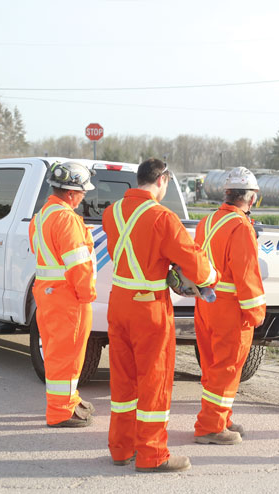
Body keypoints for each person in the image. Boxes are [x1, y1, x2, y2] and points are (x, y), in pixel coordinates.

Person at [103, 158, 217, 473]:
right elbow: (193, 262)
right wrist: (210, 279)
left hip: (119, 302)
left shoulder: (111, 213)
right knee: (154, 380)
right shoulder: (162, 217)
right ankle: (152, 454)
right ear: (163, 180)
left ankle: (121, 448)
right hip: (148, 306)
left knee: (123, 381)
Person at [193, 167, 265, 445]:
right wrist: (256, 312)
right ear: (251, 198)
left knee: (213, 366)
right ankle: (210, 426)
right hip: (229, 309)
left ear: (227, 193)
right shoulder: (241, 227)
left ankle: (221, 417)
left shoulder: (207, 221)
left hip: (206, 303)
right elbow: (246, 275)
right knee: (227, 368)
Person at [30, 161, 98, 428]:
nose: (84, 197)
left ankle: (68, 400)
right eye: (82, 192)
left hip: (48, 295)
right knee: (67, 355)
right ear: (71, 193)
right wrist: (87, 294)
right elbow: (78, 264)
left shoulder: (41, 216)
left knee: (56, 352)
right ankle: (60, 411)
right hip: (68, 297)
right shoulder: (67, 219)